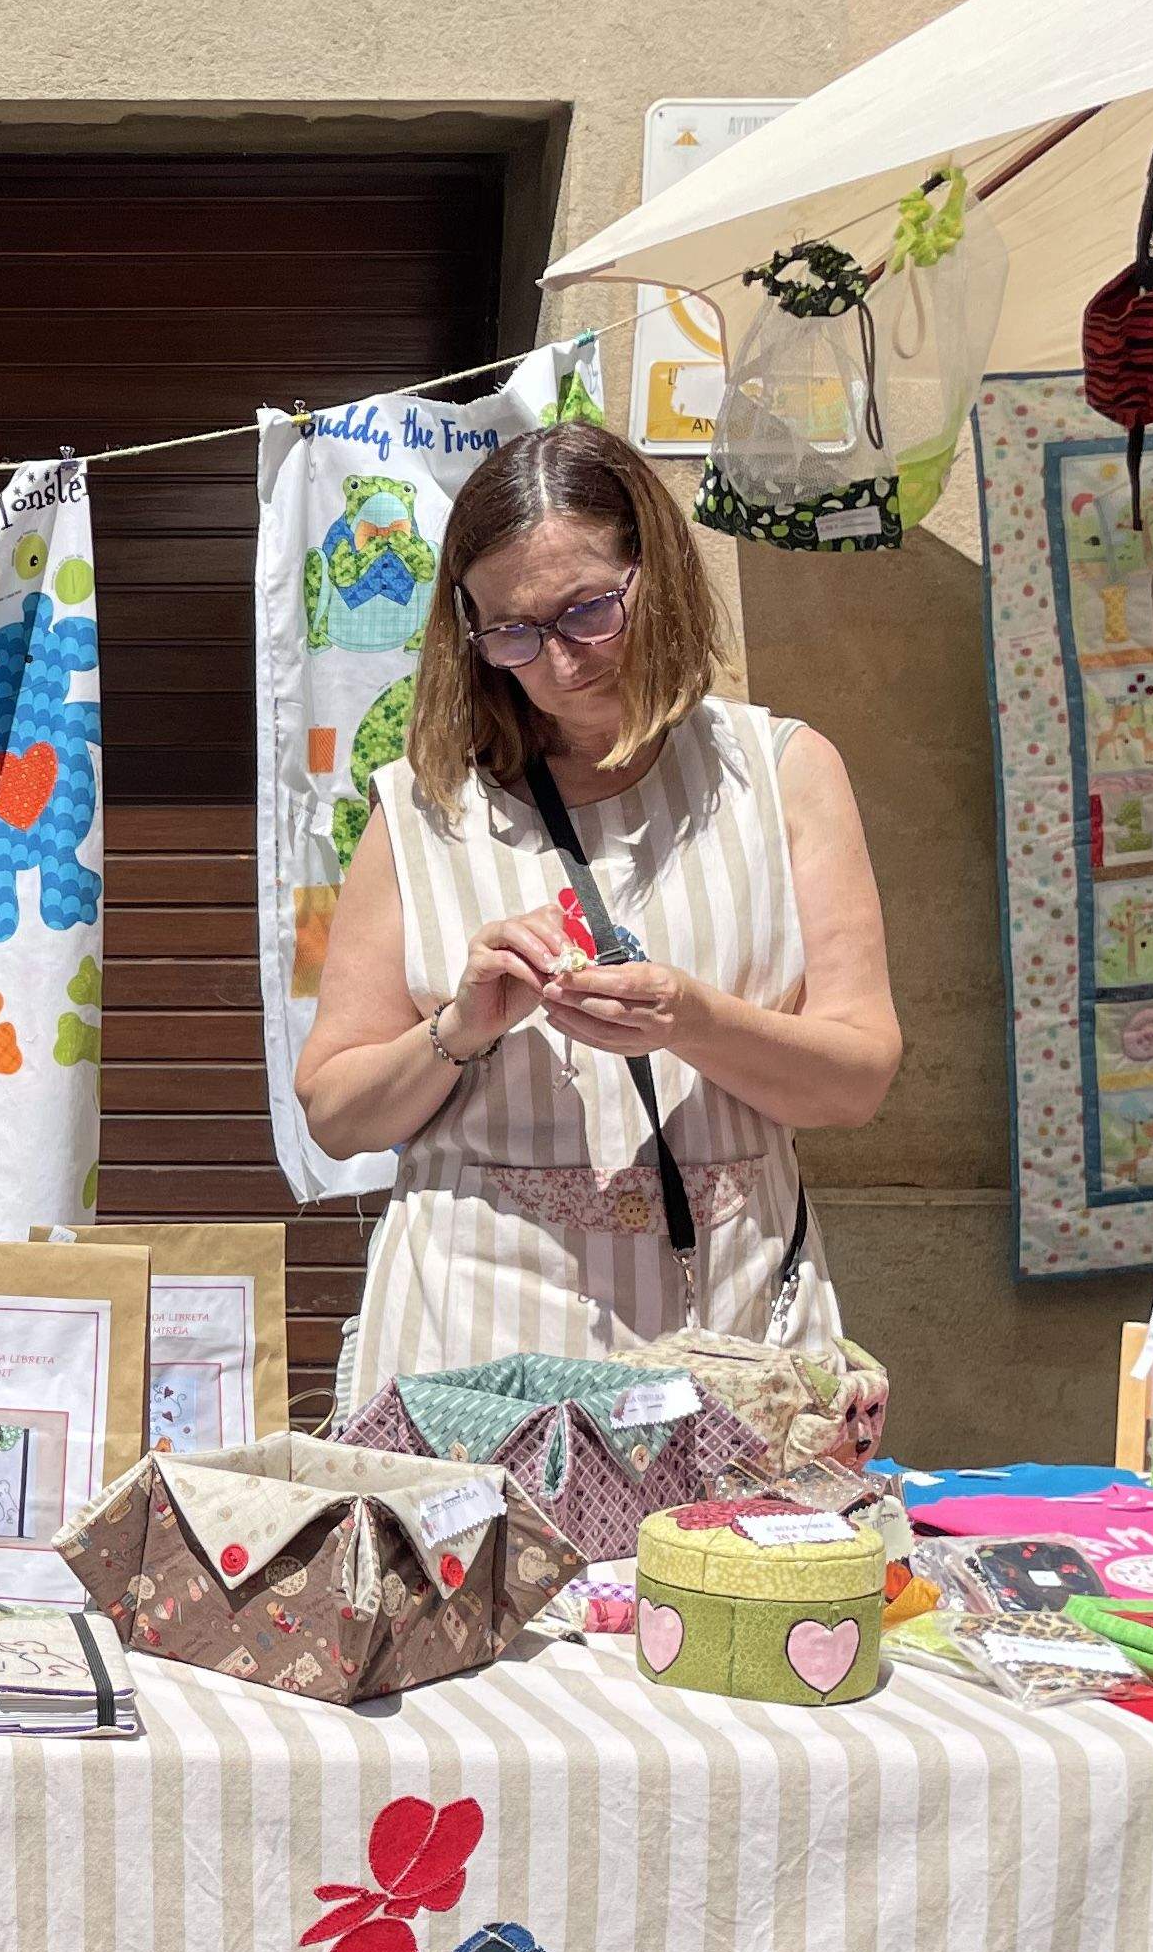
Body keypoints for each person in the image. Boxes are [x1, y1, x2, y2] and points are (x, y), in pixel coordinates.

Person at [294, 421, 899, 1419]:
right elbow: (338, 1112)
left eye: (586, 612)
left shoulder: (783, 774)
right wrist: (460, 1029)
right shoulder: (419, 807)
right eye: (512, 633)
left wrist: (694, 1022)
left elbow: (858, 1077)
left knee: (719, 1579)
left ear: (652, 572)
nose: (559, 661)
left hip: (731, 1340)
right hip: (473, 1344)